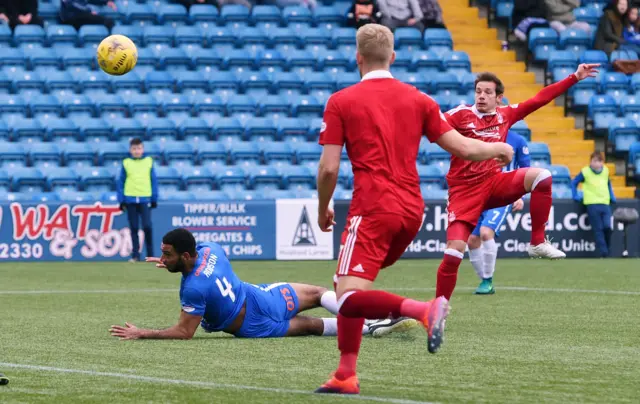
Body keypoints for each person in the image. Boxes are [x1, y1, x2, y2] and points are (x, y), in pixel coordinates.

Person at [313, 23, 514, 395]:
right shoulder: (418, 99)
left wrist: (323, 207)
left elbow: (328, 169)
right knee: (348, 284)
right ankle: (344, 374)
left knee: (347, 297)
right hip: (411, 212)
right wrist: (498, 150)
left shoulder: (342, 101)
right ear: (393, 57)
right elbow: (464, 148)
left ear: (357, 58)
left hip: (373, 208)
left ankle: (423, 311)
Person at [434, 65, 599, 304]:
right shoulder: (460, 114)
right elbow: (432, 121)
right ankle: (439, 310)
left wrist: (574, 77)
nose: (481, 96)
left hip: (493, 183)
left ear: (499, 98)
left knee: (542, 176)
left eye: (487, 92)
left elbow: (540, 98)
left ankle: (537, 242)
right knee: (452, 253)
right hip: (463, 192)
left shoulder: (506, 115)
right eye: (478, 91)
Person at [109, 229, 417, 340]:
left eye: (167, 254)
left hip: (251, 324)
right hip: (260, 298)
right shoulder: (211, 249)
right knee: (319, 294)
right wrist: (172, 262)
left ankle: (371, 328)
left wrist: (143, 333)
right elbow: (197, 255)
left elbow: (184, 332)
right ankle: (377, 319)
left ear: (185, 256)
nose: (163, 258)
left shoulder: (191, 288)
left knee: (309, 324)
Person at [467, 130, 530, 295]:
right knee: (472, 240)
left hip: (503, 194)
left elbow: (525, 170)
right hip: (479, 195)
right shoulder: (479, 136)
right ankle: (485, 279)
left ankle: (487, 281)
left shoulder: (517, 140)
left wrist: (519, 195)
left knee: (486, 233)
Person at [117, 138, 158, 263]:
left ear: (143, 149)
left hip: (145, 198)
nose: (137, 151)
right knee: (134, 227)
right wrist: (121, 200)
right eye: (134, 149)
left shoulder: (149, 161)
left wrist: (154, 198)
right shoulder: (126, 162)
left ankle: (150, 255)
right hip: (130, 199)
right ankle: (135, 255)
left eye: (139, 148)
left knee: (147, 226)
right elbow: (121, 182)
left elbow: (154, 180)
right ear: (130, 150)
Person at [570, 152, 616, 258]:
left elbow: (608, 184)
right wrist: (575, 195)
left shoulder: (605, 170)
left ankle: (607, 248)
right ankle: (604, 253)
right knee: (598, 229)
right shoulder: (585, 172)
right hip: (592, 203)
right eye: (595, 161)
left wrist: (612, 196)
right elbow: (574, 183)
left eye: (599, 161)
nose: (597, 164)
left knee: (607, 227)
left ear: (602, 162)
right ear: (590, 162)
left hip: (605, 203)